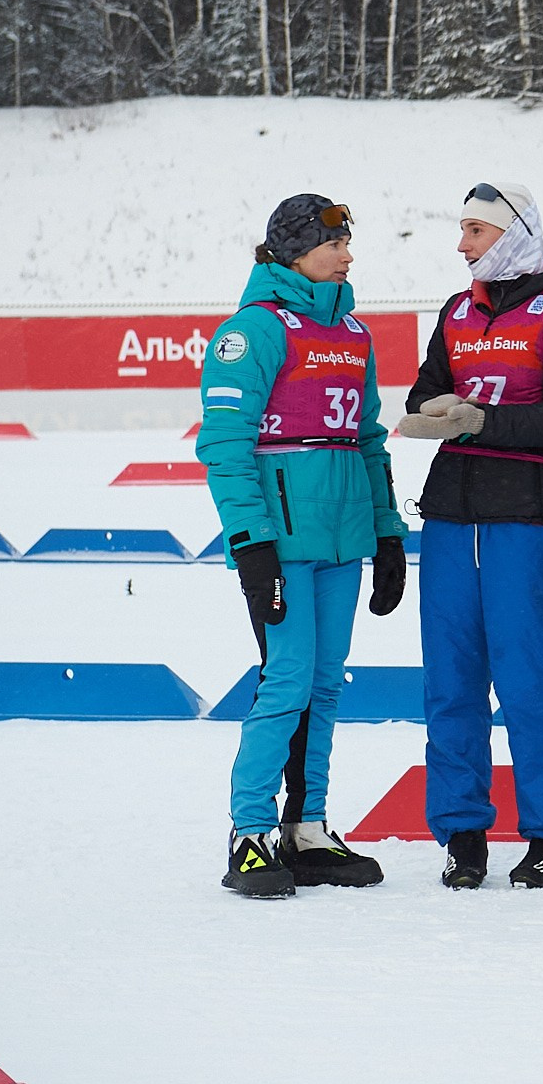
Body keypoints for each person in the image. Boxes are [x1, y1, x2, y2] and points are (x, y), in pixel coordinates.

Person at [197, 194, 406, 898]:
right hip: (282, 542)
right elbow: (224, 446)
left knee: (324, 683)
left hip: (344, 537)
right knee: (286, 679)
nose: (347, 253)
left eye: (346, 241)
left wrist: (387, 531)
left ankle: (306, 825)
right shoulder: (250, 333)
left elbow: (370, 438)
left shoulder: (352, 331)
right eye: (335, 242)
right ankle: (250, 829)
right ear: (293, 252)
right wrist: (251, 544)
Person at [397, 182, 543, 890]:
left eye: (476, 232)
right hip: (452, 516)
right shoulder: (458, 311)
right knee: (449, 685)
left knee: (526, 683)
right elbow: (419, 392)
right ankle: (462, 833)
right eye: (462, 231)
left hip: (527, 519)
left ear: (513, 233)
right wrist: (437, 411)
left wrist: (481, 420)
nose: (463, 245)